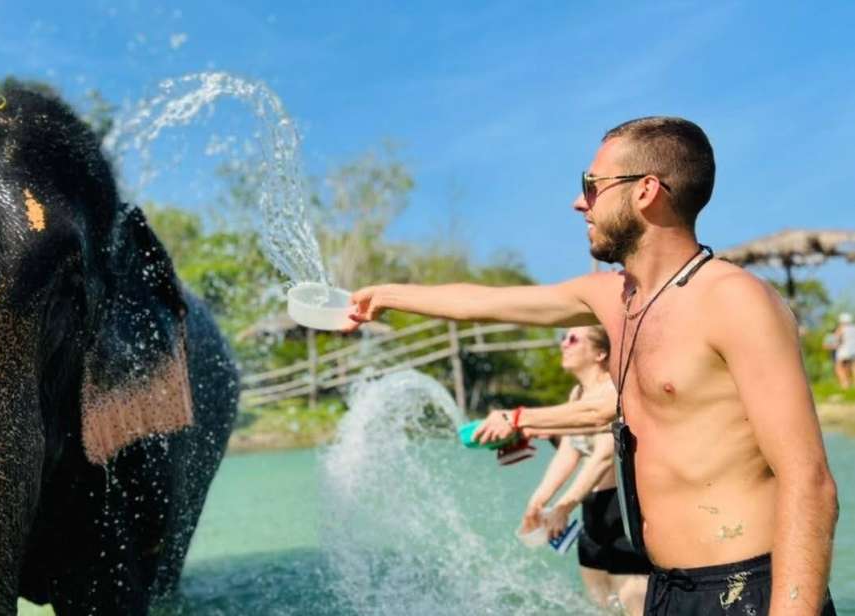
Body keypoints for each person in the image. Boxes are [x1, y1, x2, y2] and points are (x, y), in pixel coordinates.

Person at [346, 117, 838, 615]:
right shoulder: (612, 298)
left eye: (592, 185)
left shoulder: (734, 301)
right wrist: (383, 297)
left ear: (646, 191)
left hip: (746, 588)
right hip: (666, 590)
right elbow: (486, 301)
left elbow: (810, 480)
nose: (580, 202)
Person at [502, 325, 650, 614]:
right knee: (601, 607)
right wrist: (539, 500)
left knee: (635, 605)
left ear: (600, 353)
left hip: (623, 513)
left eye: (572, 339)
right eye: (562, 338)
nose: (563, 344)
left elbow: (603, 458)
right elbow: (569, 453)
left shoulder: (613, 391)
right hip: (592, 512)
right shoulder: (578, 393)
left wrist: (564, 506)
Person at [827, 312, 855, 390]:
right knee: (852, 366)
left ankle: (845, 383)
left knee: (839, 366)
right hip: (853, 350)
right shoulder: (853, 328)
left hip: (844, 349)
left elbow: (837, 339)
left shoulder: (841, 328)